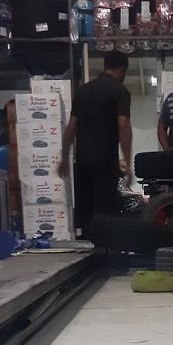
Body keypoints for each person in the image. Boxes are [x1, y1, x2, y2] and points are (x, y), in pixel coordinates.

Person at [59, 50, 132, 235]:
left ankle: (87, 246)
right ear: (122, 69)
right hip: (106, 161)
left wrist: (64, 157)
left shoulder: (83, 91)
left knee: (86, 212)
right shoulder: (120, 91)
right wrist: (127, 160)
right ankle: (104, 248)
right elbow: (123, 125)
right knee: (105, 211)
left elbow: (71, 126)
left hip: (83, 161)